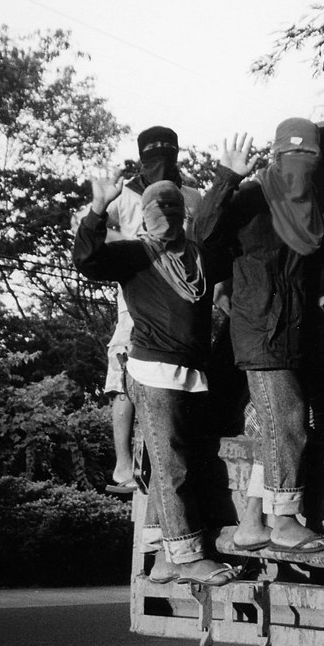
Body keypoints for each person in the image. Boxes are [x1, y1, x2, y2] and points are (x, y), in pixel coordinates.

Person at [194, 124, 324, 553]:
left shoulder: (306, 208)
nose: (299, 167)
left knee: (270, 431)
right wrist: (226, 177)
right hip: (261, 336)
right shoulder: (250, 199)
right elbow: (201, 233)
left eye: (308, 157)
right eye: (292, 156)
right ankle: (286, 522)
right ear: (274, 157)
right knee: (288, 425)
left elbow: (318, 249)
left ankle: (252, 522)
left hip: (290, 337)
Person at [73, 173, 237, 586]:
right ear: (143, 217)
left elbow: (216, 226)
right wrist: (99, 209)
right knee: (173, 467)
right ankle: (187, 555)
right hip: (154, 373)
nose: (164, 213)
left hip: (191, 374)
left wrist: (229, 177)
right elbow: (87, 261)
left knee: (179, 464)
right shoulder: (135, 254)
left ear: (184, 214)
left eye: (171, 206)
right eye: (155, 207)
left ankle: (165, 556)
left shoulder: (198, 255)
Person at [77, 126, 203, 494]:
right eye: (154, 153)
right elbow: (87, 237)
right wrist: (128, 246)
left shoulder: (191, 194)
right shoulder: (127, 194)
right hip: (135, 289)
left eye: (169, 151)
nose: (162, 160)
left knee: (174, 379)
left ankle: (158, 459)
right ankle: (122, 466)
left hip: (181, 289)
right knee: (124, 373)